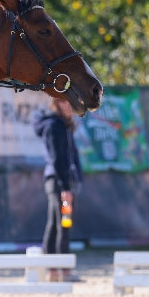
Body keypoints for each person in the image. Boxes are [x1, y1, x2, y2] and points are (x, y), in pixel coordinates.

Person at [33, 97, 84, 282]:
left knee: (61, 223)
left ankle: (57, 270)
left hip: (63, 181)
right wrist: (65, 188)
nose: (69, 106)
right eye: (64, 102)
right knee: (61, 224)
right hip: (58, 182)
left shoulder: (64, 125)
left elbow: (71, 157)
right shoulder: (54, 126)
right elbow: (57, 159)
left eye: (70, 103)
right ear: (56, 104)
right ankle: (58, 270)